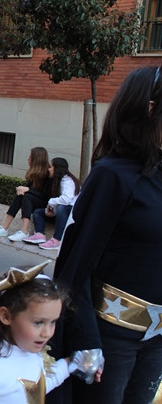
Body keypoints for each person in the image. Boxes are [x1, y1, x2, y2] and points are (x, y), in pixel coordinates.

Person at [48, 66, 162, 404]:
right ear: (150, 108)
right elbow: (76, 265)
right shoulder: (113, 176)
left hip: (156, 340)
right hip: (110, 338)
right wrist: (85, 341)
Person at [0, 262, 93, 403]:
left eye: (53, 322)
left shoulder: (33, 354)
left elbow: (40, 386)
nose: (47, 333)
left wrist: (72, 362)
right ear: (6, 316)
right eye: (38, 323)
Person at [0, 147, 51, 242]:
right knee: (21, 195)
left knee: (27, 197)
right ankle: (4, 228)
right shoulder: (34, 172)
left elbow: (45, 196)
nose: (28, 159)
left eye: (31, 157)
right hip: (33, 200)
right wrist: (21, 189)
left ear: (37, 159)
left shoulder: (47, 174)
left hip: (45, 205)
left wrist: (28, 189)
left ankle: (24, 231)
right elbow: (29, 189)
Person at [23, 158, 80, 251]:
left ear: (57, 168)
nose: (49, 169)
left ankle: (57, 240)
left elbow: (66, 200)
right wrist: (52, 209)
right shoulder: (58, 181)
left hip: (72, 215)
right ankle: (39, 235)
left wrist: (52, 203)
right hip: (62, 214)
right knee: (38, 212)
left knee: (62, 207)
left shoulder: (68, 181)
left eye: (51, 167)